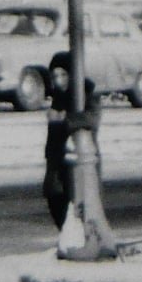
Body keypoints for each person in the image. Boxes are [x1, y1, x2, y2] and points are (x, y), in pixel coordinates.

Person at [41, 52, 99, 232]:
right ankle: (68, 234)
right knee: (55, 199)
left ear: (73, 75)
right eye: (55, 76)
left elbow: (91, 118)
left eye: (63, 75)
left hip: (77, 160)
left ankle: (76, 236)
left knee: (78, 204)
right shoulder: (57, 97)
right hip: (58, 159)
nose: (59, 81)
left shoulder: (86, 93)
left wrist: (64, 119)